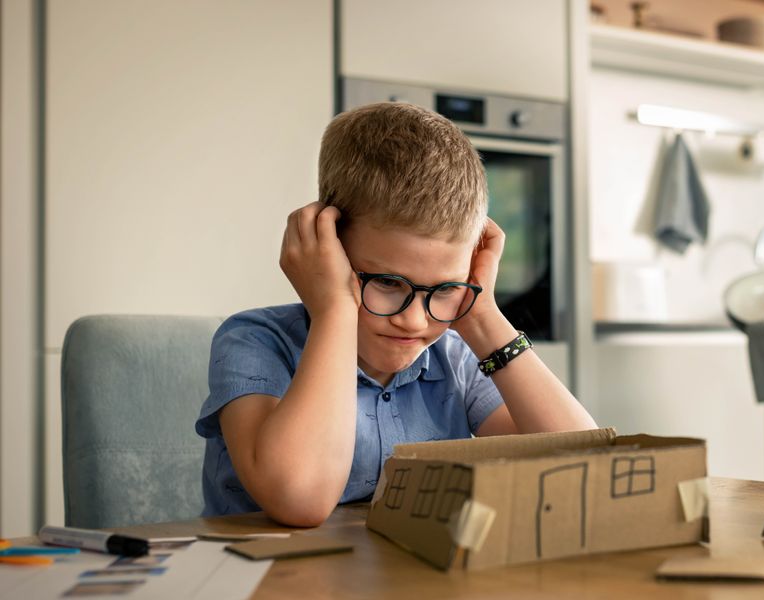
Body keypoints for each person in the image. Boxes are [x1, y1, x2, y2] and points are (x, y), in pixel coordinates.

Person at [195, 102, 597, 526]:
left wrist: (481, 315)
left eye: (445, 289)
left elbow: (584, 469)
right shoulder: (254, 341)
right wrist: (335, 309)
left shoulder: (455, 359)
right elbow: (301, 499)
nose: (415, 321)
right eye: (387, 283)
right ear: (329, 250)